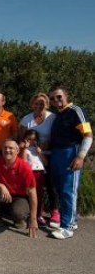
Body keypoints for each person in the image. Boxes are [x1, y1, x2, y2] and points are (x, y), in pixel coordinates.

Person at [48, 85, 92, 239]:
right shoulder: (57, 115)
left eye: (59, 96)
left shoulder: (76, 111)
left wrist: (80, 156)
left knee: (68, 190)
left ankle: (67, 227)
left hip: (70, 153)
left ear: (66, 95)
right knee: (60, 188)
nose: (56, 100)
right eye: (53, 98)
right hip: (57, 154)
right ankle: (70, 220)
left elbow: (88, 135)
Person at [0, 140, 38, 238]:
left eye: (11, 148)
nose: (7, 150)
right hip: (2, 193)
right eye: (5, 148)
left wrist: (33, 218)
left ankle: (19, 219)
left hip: (19, 197)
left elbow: (32, 192)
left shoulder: (24, 167)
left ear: (17, 151)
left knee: (18, 212)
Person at [19, 92, 59, 227]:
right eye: (36, 103)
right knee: (32, 186)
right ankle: (31, 212)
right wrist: (23, 147)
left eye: (42, 103)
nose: (39, 106)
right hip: (31, 157)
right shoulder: (26, 119)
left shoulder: (52, 117)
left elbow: (57, 136)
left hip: (48, 154)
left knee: (51, 184)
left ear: (47, 104)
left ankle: (54, 211)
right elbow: (21, 137)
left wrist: (45, 146)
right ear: (32, 104)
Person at [20, 129, 48, 226]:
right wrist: (24, 149)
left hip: (40, 172)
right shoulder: (24, 149)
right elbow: (24, 163)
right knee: (29, 194)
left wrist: (40, 153)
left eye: (34, 139)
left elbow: (45, 163)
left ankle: (39, 214)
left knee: (40, 194)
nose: (31, 141)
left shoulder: (38, 149)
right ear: (25, 139)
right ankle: (29, 215)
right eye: (29, 139)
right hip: (30, 173)